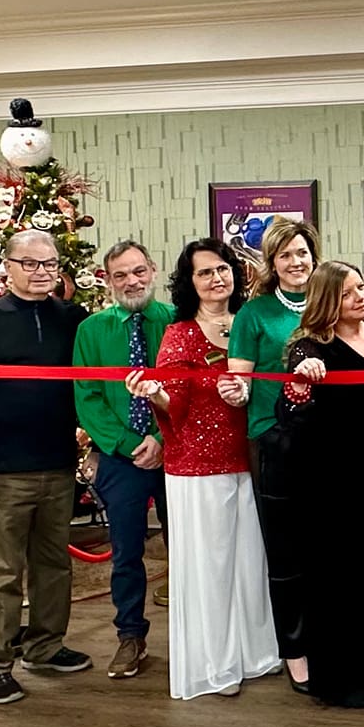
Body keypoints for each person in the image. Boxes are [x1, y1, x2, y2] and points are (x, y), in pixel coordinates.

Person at [127, 239, 280, 700]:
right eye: (205, 272)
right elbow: (174, 401)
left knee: (249, 562)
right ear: (189, 283)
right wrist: (152, 392)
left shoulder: (251, 322)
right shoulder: (181, 334)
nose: (217, 279)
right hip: (197, 464)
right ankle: (215, 664)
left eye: (223, 269)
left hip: (249, 456)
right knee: (210, 567)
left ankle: (254, 652)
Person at [0, 229, 93, 705]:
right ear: (6, 266)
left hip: (57, 465)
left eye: (49, 264)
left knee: (53, 567)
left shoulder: (73, 319)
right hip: (1, 471)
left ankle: (45, 647)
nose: (40, 273)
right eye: (29, 263)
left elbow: (89, 384)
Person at [275, 262, 364, 709]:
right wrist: (302, 382)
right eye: (349, 293)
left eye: (362, 287)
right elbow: (289, 412)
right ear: (329, 301)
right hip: (328, 477)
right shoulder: (309, 348)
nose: (361, 297)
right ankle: (334, 678)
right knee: (334, 576)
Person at [226, 216, 323, 691]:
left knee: (326, 549)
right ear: (273, 263)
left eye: (301, 252)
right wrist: (234, 393)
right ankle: (296, 651)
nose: (295, 262)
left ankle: (329, 641)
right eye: (285, 254)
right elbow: (240, 382)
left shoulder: (331, 302)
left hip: (328, 441)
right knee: (287, 555)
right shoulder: (254, 313)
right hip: (275, 439)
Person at [72, 240, 172, 680]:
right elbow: (87, 398)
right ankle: (131, 636)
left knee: (188, 550)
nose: (131, 281)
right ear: (107, 280)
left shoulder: (176, 321)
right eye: (120, 275)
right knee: (127, 554)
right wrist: (132, 443)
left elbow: (186, 389)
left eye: (138, 271)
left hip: (176, 453)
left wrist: (159, 438)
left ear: (152, 269)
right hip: (121, 458)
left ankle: (194, 637)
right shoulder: (92, 331)